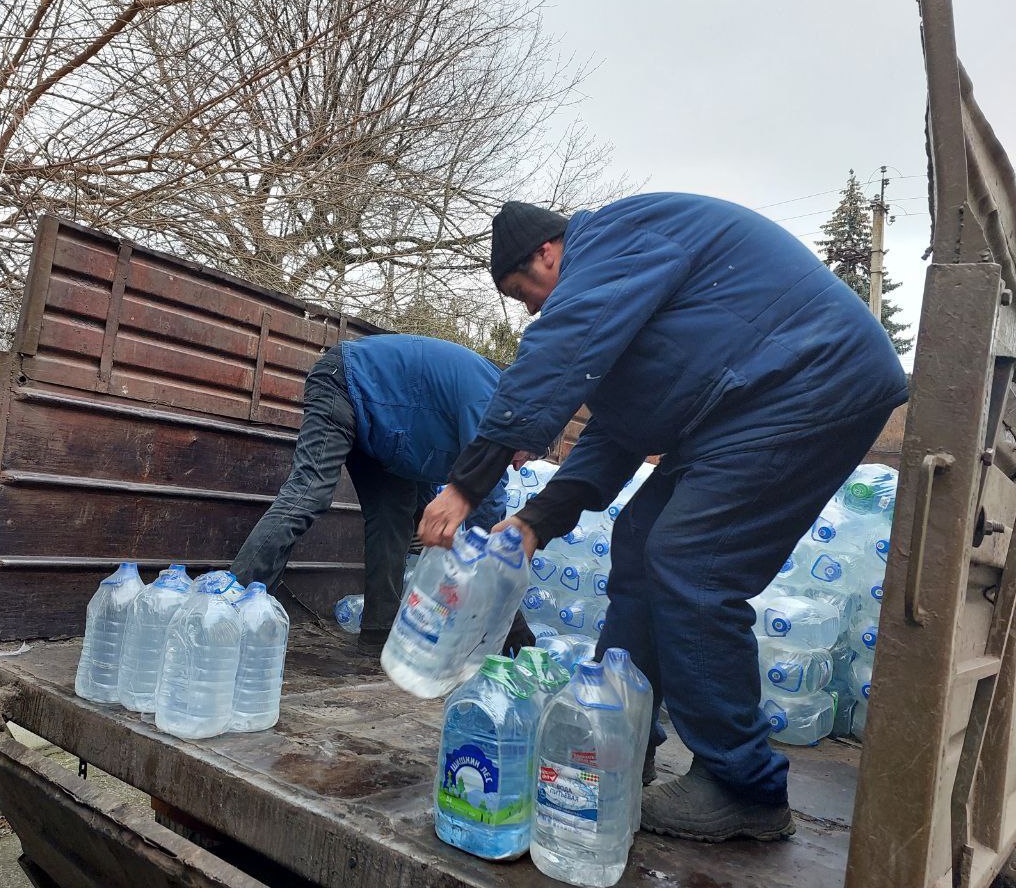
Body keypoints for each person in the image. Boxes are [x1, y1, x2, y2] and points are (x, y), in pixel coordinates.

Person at [419, 194, 908, 842]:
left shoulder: (610, 244)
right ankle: (618, 738)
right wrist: (537, 521)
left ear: (548, 250)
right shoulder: (628, 295)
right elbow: (615, 436)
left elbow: (563, 345)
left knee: (691, 559)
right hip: (748, 399)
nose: (533, 307)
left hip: (812, 375)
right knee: (641, 535)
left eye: (526, 290)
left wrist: (466, 483)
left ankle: (744, 786)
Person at [231, 333, 517, 647]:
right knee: (310, 491)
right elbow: (487, 500)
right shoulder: (493, 402)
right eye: (528, 454)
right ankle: (233, 605)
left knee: (394, 517)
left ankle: (378, 634)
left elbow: (437, 499)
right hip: (345, 382)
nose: (518, 466)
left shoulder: (495, 407)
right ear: (525, 427)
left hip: (388, 431)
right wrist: (509, 612)